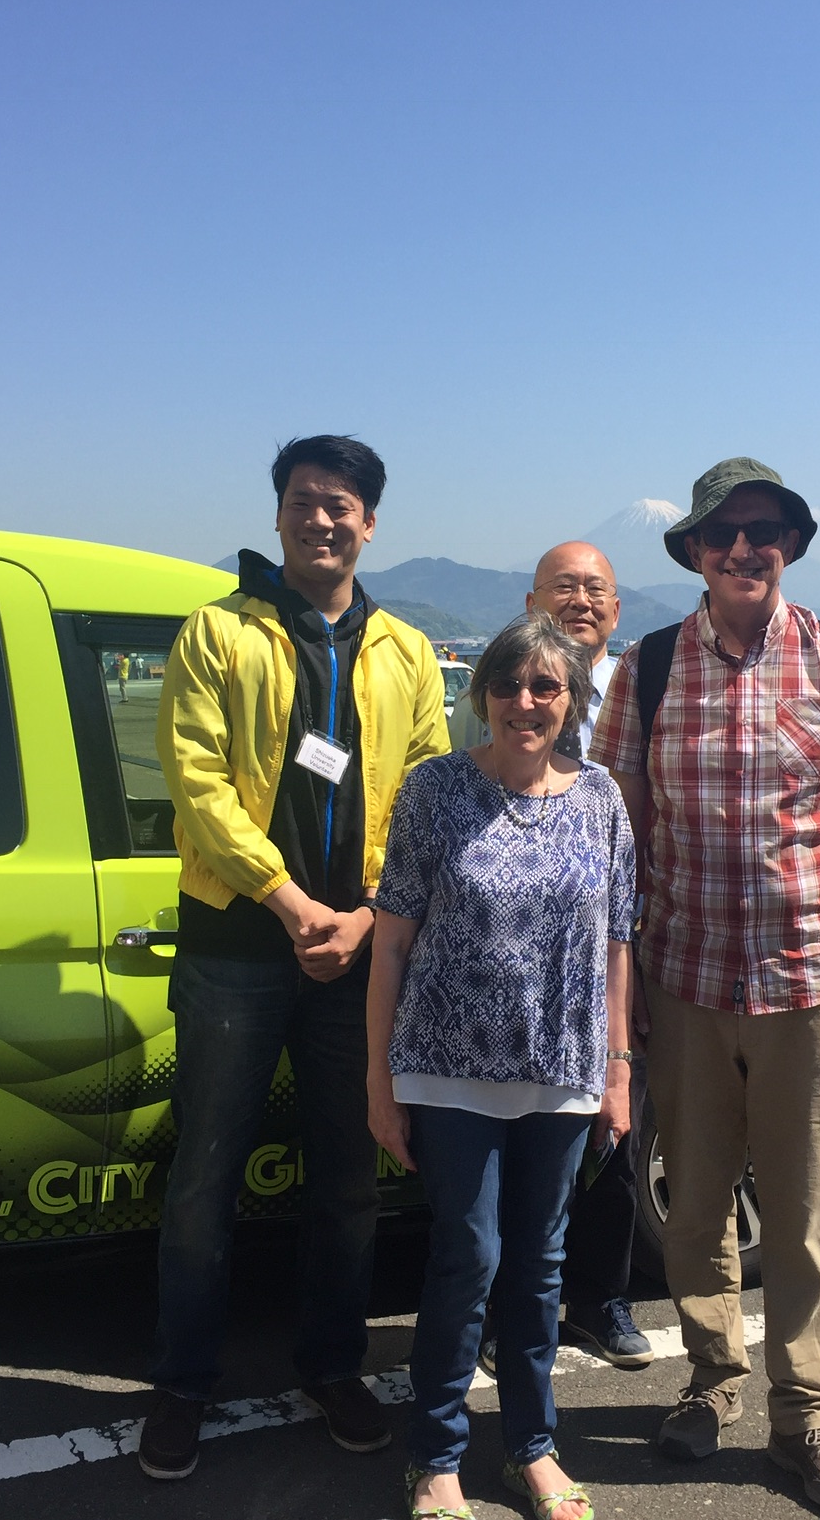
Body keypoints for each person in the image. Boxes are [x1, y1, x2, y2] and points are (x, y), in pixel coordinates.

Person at [591, 457, 820, 1518]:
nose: (744, 548)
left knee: (812, 1209)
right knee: (692, 1204)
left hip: (813, 978)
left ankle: (804, 1414)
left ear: (789, 545)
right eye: (724, 533)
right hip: (682, 981)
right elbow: (622, 840)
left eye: (764, 530)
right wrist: (619, 982)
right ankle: (713, 1376)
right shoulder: (643, 670)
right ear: (692, 550)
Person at [140, 435, 450, 1481]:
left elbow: (425, 788)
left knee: (347, 1178)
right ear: (278, 517)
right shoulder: (217, 633)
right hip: (238, 942)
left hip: (360, 954)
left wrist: (363, 916)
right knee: (204, 1178)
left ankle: (331, 1363)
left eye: (344, 505)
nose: (325, 520)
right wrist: (287, 899)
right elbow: (196, 779)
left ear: (371, 524)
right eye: (307, 502)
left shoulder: (406, 650)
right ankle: (183, 1380)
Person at [367, 612, 636, 1520]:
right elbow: (392, 945)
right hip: (447, 1069)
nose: (525, 702)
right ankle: (435, 1454)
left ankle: (533, 1445)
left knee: (541, 1263)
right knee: (468, 1255)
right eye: (508, 684)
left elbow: (616, 941)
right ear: (482, 693)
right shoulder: (434, 790)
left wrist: (619, 1066)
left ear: (571, 699)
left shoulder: (600, 797)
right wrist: (378, 1081)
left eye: (546, 687)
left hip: (559, 1071)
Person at [455, 542, 655, 1372]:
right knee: (515, 1152)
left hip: (608, 943)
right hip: (510, 957)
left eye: (595, 589)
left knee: (612, 1128)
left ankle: (603, 1299)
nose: (579, 599)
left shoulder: (642, 692)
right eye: (562, 586)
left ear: (616, 611)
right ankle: (507, 1317)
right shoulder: (506, 692)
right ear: (532, 600)